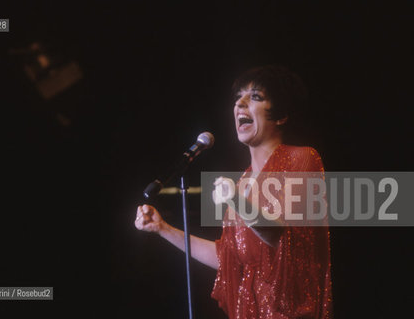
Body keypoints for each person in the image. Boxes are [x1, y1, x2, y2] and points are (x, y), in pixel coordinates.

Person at [134, 65, 333, 319]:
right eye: (238, 98)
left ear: (281, 116)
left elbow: (276, 233)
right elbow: (227, 258)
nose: (240, 103)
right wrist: (163, 228)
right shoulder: (242, 183)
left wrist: (236, 201)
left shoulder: (302, 158)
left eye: (255, 97)